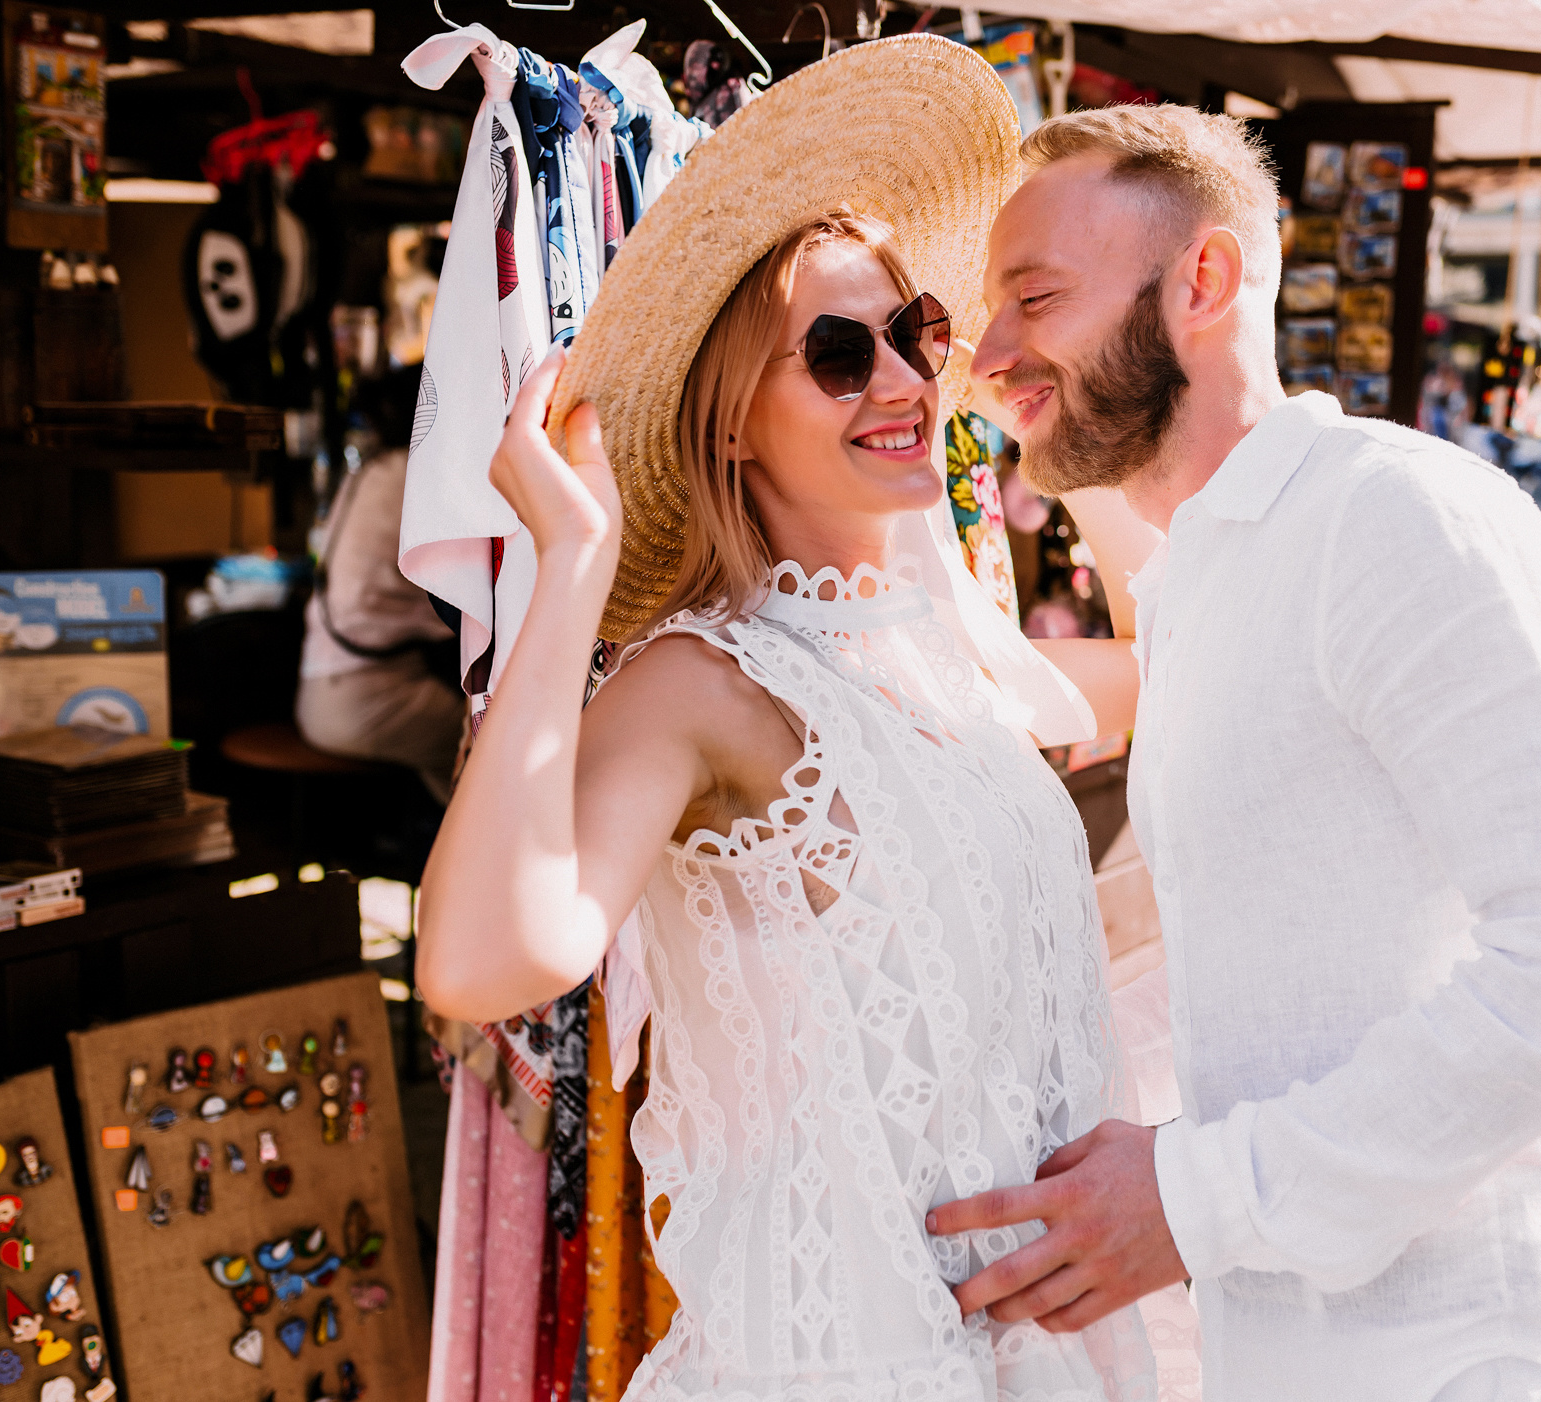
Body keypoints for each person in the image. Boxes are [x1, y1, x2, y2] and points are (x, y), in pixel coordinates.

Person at [415, 37, 1160, 1402]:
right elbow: (482, 962)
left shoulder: (958, 649)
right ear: (733, 421)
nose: (898, 381)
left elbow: (1180, 663)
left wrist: (1043, 407)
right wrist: (572, 575)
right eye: (834, 350)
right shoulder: (706, 683)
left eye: (914, 331)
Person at [929, 104, 1541, 1400]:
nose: (992, 350)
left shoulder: (1396, 518)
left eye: (1032, 297)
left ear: (1204, 279)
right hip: (1290, 1350)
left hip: (1464, 1358)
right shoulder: (1210, 573)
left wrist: (1190, 1198)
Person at [295, 365, 461, 802]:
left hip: (320, 696)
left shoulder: (368, 472)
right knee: (498, 742)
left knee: (467, 758)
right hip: (368, 701)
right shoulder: (420, 475)